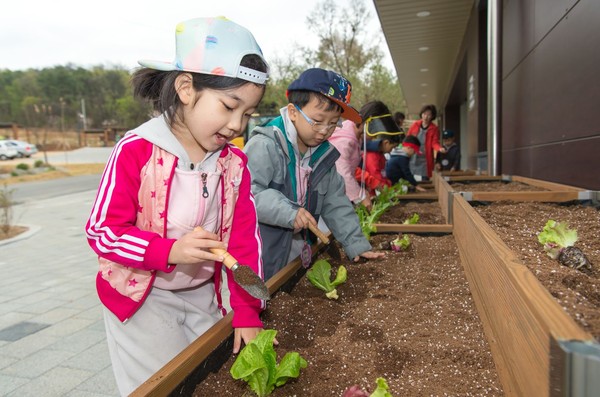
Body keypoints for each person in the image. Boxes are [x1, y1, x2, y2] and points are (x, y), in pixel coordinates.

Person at [84, 17, 269, 395]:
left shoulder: (233, 164)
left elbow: (243, 244)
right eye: (229, 106)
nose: (237, 124)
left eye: (247, 114)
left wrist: (248, 313)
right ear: (186, 88)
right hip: (143, 296)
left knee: (207, 378)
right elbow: (102, 231)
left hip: (204, 292)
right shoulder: (137, 150)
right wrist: (170, 250)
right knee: (164, 386)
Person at [243, 68, 385, 280]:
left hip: (295, 252)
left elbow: (336, 203)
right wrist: (289, 211)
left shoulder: (322, 155)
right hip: (260, 251)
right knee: (261, 298)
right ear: (293, 111)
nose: (324, 131)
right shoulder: (265, 145)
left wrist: (356, 244)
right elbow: (248, 192)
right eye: (317, 121)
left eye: (332, 123)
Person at [329, 101, 394, 210]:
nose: (376, 136)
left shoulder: (356, 135)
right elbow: (343, 172)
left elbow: (351, 170)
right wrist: (361, 196)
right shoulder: (345, 140)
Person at [406, 104, 446, 180]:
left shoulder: (434, 128)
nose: (426, 117)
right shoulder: (415, 125)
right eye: (424, 114)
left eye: (429, 115)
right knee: (410, 177)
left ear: (432, 116)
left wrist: (439, 148)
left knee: (425, 179)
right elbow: (408, 138)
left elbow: (434, 143)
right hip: (413, 155)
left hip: (425, 158)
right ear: (421, 114)